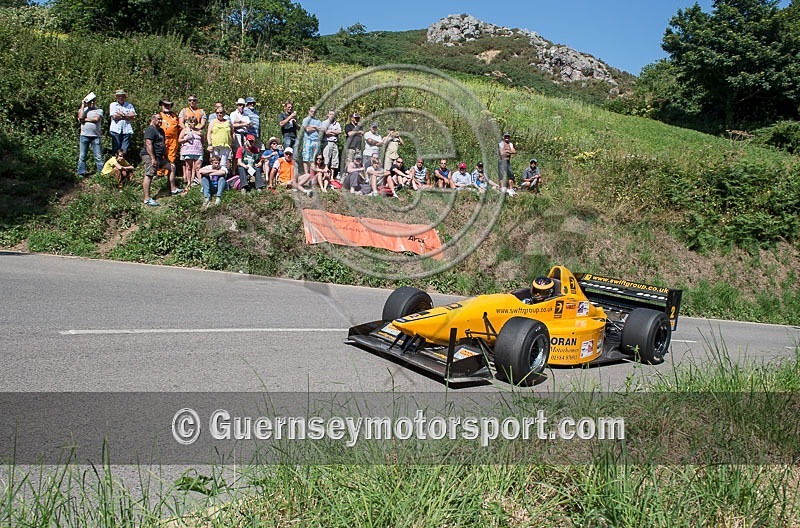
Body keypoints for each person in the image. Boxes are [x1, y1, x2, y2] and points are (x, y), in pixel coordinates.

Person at [140, 113, 178, 206]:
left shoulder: (161, 130)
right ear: (153, 119)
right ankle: (147, 198)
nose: (160, 121)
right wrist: (152, 158)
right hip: (149, 155)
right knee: (149, 174)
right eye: (158, 119)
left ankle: (173, 189)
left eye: (161, 119)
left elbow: (163, 145)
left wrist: (167, 158)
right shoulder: (150, 130)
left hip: (159, 156)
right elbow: (148, 144)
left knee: (172, 167)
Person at [76, 93, 104, 177]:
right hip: (84, 135)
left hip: (95, 136)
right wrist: (83, 105)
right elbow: (80, 117)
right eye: (90, 101)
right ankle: (81, 172)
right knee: (82, 155)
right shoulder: (83, 110)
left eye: (93, 101)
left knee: (98, 157)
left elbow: (96, 119)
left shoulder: (99, 110)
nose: (92, 103)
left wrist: (84, 120)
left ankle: (101, 174)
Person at [178, 116, 204, 191]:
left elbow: (202, 140)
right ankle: (189, 183)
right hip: (187, 151)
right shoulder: (185, 130)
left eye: (194, 122)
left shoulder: (199, 131)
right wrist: (185, 139)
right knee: (188, 167)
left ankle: (202, 184)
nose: (193, 123)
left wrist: (201, 147)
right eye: (191, 122)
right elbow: (179, 140)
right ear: (188, 123)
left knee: (198, 168)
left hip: (198, 151)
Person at [108, 89, 136, 154]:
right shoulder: (113, 105)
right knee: (116, 149)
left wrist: (122, 114)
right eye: (119, 96)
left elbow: (133, 116)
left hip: (126, 130)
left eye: (122, 96)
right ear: (117, 97)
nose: (121, 98)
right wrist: (127, 116)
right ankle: (115, 163)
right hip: (116, 130)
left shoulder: (129, 105)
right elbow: (114, 116)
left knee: (124, 150)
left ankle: (123, 163)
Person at [158, 99, 181, 168]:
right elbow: (152, 127)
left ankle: (168, 172)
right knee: (161, 154)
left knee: (171, 156)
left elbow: (179, 127)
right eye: (165, 105)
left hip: (173, 139)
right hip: (162, 138)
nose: (167, 106)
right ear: (162, 105)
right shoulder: (159, 115)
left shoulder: (174, 116)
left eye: (168, 105)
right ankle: (159, 173)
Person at [320, 110, 341, 179]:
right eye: (330, 114)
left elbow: (339, 131)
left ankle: (331, 177)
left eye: (333, 114)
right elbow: (326, 132)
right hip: (327, 142)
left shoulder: (337, 123)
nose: (332, 115)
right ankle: (325, 176)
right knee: (326, 159)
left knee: (335, 160)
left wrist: (331, 131)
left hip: (335, 143)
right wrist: (334, 132)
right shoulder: (324, 123)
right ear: (328, 115)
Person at [301, 106, 322, 174]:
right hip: (308, 140)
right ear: (309, 111)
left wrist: (312, 127)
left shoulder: (318, 121)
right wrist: (316, 128)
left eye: (314, 112)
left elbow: (321, 130)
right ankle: (306, 174)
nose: (313, 113)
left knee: (314, 158)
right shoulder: (305, 120)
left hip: (316, 140)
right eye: (312, 111)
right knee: (306, 158)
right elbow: (307, 129)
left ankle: (313, 174)